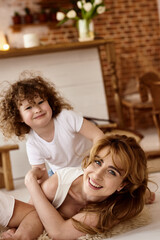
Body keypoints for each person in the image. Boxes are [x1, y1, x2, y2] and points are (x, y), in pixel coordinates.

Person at [0, 135, 150, 240]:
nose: (97, 175)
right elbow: (30, 212)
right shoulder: (56, 184)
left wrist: (31, 182)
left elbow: (58, 233)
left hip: (120, 194)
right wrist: (17, 231)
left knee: (142, 196)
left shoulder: (112, 208)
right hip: (66, 177)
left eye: (112, 172)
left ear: (122, 184)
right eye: (97, 162)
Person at [0, 71, 104, 181]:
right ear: (19, 117)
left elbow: (98, 136)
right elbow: (42, 176)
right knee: (43, 185)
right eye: (28, 108)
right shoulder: (32, 143)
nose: (37, 110)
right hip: (63, 177)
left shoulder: (66, 117)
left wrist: (96, 161)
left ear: (49, 101)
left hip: (89, 166)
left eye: (40, 102)